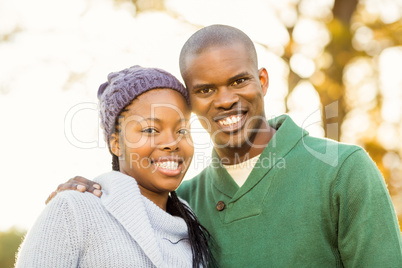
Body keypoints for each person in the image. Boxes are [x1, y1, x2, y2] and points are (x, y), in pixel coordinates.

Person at [47, 25, 402, 267]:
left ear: (262, 80)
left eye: (239, 80)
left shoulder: (343, 170)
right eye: (205, 90)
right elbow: (115, 217)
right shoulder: (182, 203)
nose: (226, 100)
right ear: (191, 101)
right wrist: (79, 193)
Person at [16, 65, 214, 267]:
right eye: (151, 129)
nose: (172, 142)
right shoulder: (75, 210)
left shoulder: (195, 232)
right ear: (116, 144)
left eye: (182, 131)